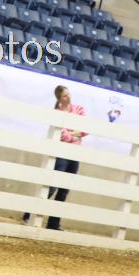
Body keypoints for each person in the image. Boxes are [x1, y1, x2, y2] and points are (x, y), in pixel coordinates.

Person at [22, 85, 87, 230]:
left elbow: (85, 129)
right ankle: (29, 213)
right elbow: (63, 135)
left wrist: (70, 133)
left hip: (75, 153)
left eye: (68, 94)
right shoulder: (57, 112)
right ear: (59, 98)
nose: (68, 97)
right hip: (61, 152)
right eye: (64, 96)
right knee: (52, 186)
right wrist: (74, 134)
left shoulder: (79, 109)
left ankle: (54, 223)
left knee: (64, 189)